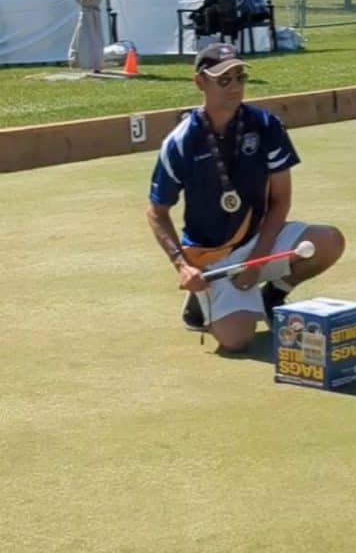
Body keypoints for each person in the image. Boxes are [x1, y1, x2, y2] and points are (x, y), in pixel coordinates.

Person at [146, 41, 345, 352]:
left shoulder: (266, 126)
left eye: (240, 77)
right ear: (200, 83)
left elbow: (280, 200)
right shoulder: (181, 142)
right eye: (224, 79)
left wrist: (257, 259)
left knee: (329, 241)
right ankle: (201, 299)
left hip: (259, 242)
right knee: (237, 341)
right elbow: (156, 212)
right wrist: (182, 266)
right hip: (212, 256)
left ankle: (272, 295)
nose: (235, 86)